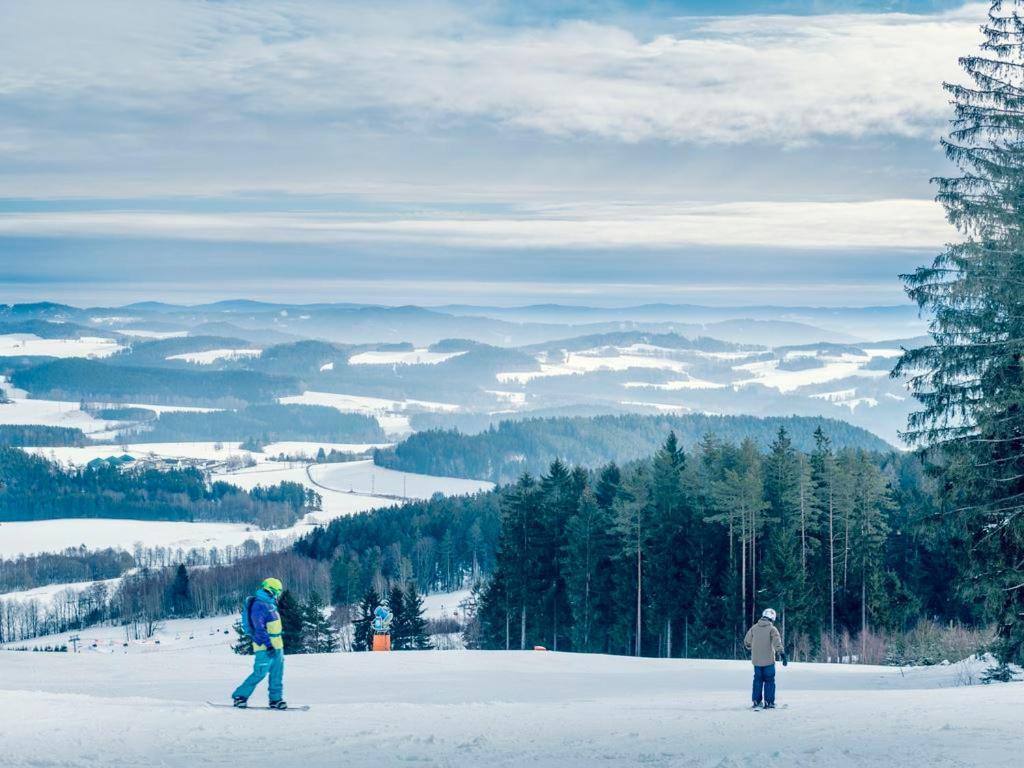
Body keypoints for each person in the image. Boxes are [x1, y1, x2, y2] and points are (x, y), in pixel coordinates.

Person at [232, 577, 287, 710]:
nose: (279, 594)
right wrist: (268, 645)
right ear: (271, 590)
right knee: (260, 673)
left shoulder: (270, 604)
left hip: (277, 645)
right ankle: (240, 696)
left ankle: (275, 699)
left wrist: (276, 644)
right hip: (264, 646)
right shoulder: (259, 605)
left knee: (277, 673)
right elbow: (259, 628)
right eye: (278, 591)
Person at [744, 607, 786, 709]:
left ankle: (756, 701)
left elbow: (747, 641)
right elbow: (777, 643)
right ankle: (769, 702)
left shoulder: (754, 628)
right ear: (772, 618)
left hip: (757, 661)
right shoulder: (772, 629)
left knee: (757, 680)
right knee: (769, 681)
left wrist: (751, 647)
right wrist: (782, 654)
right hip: (768, 661)